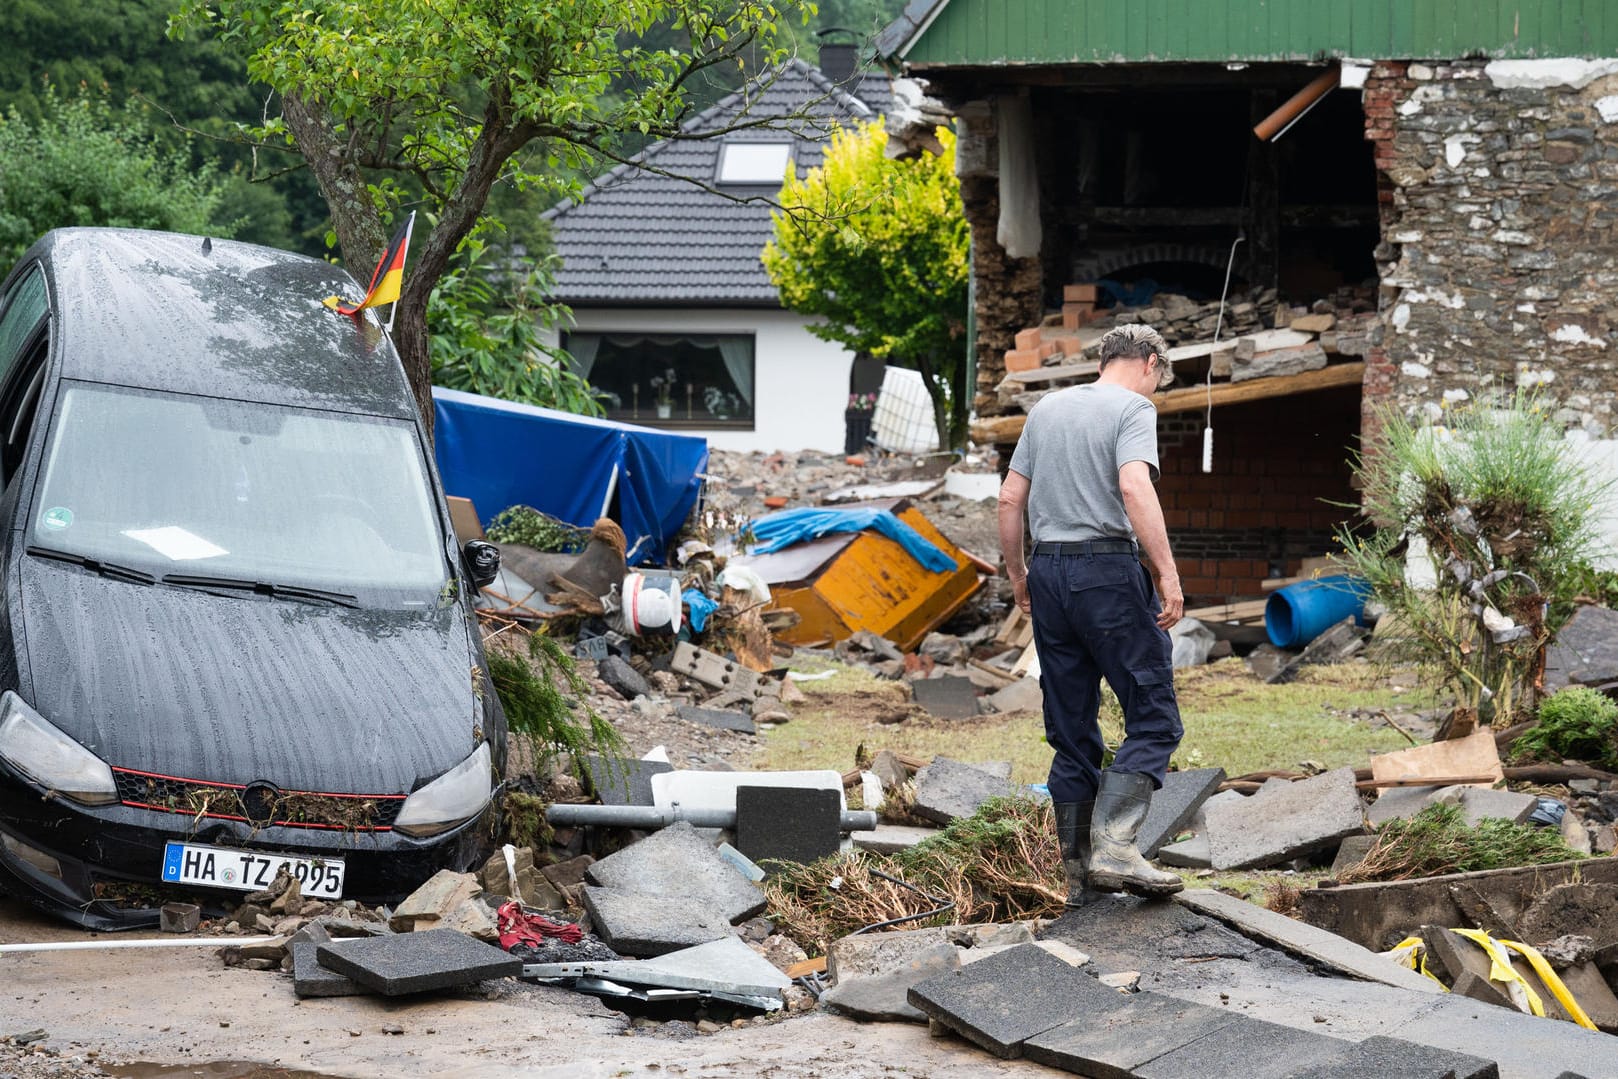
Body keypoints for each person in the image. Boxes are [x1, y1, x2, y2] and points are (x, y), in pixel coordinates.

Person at [996, 323, 1186, 903]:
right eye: (1157, 382)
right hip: (1106, 571)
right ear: (1150, 362)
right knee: (1153, 715)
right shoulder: (1132, 409)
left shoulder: (1046, 409)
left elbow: (1009, 498)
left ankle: (1079, 874)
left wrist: (1017, 575)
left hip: (1048, 572)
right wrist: (1167, 573)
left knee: (1072, 727)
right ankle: (1118, 849)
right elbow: (1134, 489)